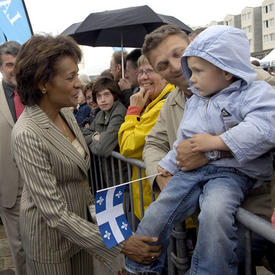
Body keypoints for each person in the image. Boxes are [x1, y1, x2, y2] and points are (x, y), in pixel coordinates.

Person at [125, 26, 275, 274]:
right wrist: (162, 175)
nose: (174, 67)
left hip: (250, 216)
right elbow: (155, 143)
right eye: (162, 65)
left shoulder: (258, 85)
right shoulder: (175, 100)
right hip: (198, 212)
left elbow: (267, 129)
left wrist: (213, 150)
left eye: (178, 54)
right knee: (165, 215)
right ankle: (143, 266)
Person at [11, 34, 161, 275]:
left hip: (81, 236)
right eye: (70, 77)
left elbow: (83, 187)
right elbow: (55, 214)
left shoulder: (67, 115)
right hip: (50, 245)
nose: (79, 83)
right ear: (43, 83)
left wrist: (115, 231)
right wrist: (122, 243)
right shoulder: (27, 133)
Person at [118, 55, 175, 222]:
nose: (143, 77)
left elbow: (128, 147)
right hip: (150, 200)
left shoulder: (162, 106)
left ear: (165, 74)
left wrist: (133, 111)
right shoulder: (152, 102)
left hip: (158, 205)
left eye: (150, 71)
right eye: (140, 72)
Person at [0, 41, 26, 275]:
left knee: (45, 245)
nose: (14, 70)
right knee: (19, 248)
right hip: (9, 187)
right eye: (9, 65)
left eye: (17, 64)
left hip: (39, 181)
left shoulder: (35, 93)